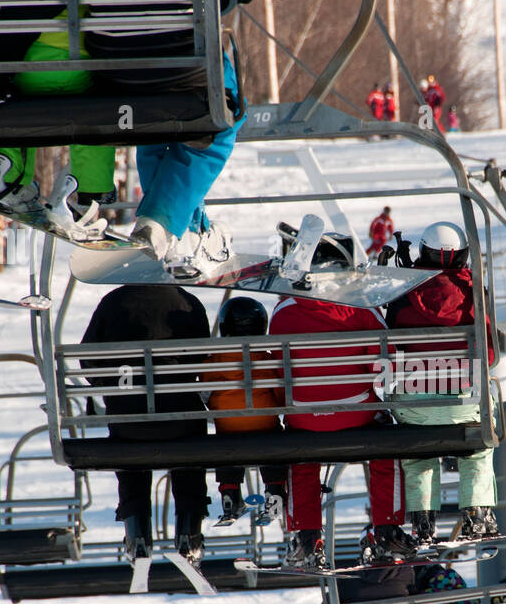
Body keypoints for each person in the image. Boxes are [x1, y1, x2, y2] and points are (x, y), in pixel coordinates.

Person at [0, 0, 259, 265]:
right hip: (182, 62)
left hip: (115, 67)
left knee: (156, 126)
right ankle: (164, 223)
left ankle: (180, 230)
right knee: (220, 125)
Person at [268, 240, 411, 569]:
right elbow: (382, 363)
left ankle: (307, 537)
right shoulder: (360, 307)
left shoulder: (285, 310)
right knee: (385, 445)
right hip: (356, 413)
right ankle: (387, 526)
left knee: (302, 457)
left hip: (303, 417)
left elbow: (277, 365)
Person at [0, 0, 117, 227]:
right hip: (76, 70)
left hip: (22, 68)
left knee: (8, 92)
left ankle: (7, 178)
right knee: (97, 105)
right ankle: (86, 195)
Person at [80, 284, 211, 564]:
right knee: (190, 451)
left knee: (130, 452)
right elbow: (203, 357)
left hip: (129, 420)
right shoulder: (187, 301)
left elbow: (88, 359)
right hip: (181, 420)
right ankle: (190, 532)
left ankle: (137, 533)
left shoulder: (112, 302)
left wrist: (111, 387)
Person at [384, 221, 497, 543]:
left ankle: (422, 520)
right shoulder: (473, 293)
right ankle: (478, 514)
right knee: (477, 448)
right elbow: (488, 356)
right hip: (463, 402)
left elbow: (389, 347)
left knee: (419, 453)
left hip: (414, 403)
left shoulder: (402, 290)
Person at [201, 297, 289, 522]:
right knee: (274, 440)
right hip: (264, 425)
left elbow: (207, 395)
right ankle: (275, 489)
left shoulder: (213, 361)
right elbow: (280, 396)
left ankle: (230, 493)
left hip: (228, 427)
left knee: (226, 444)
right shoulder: (265, 360)